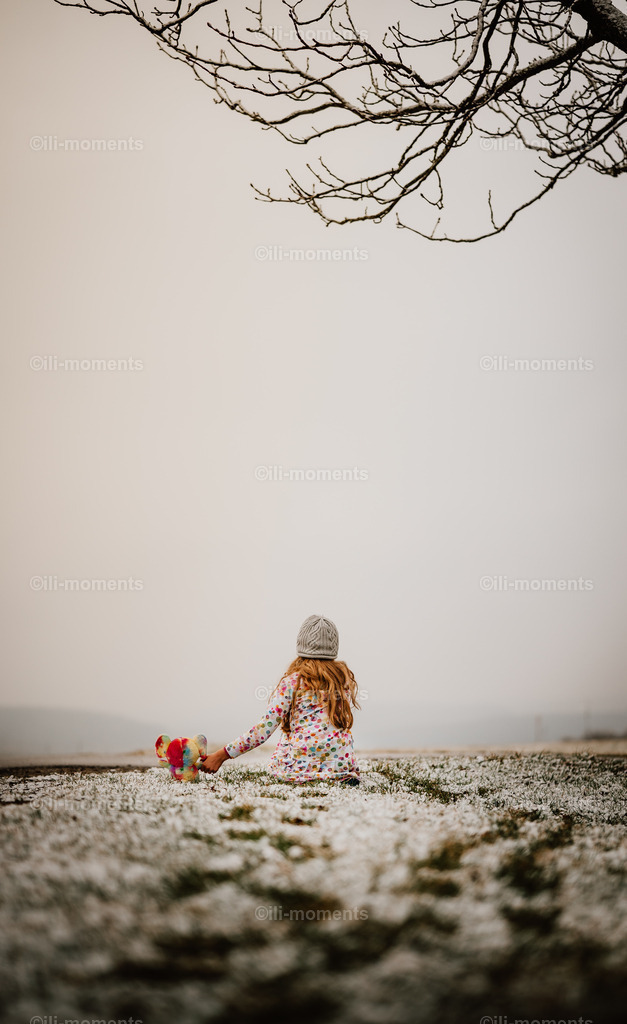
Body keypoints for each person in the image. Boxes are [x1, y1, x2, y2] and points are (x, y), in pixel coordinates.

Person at [199, 614, 361, 785]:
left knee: (287, 738)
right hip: (341, 770)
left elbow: (263, 730)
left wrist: (221, 755)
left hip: (298, 772)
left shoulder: (293, 682)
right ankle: (333, 770)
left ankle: (305, 770)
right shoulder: (342, 681)